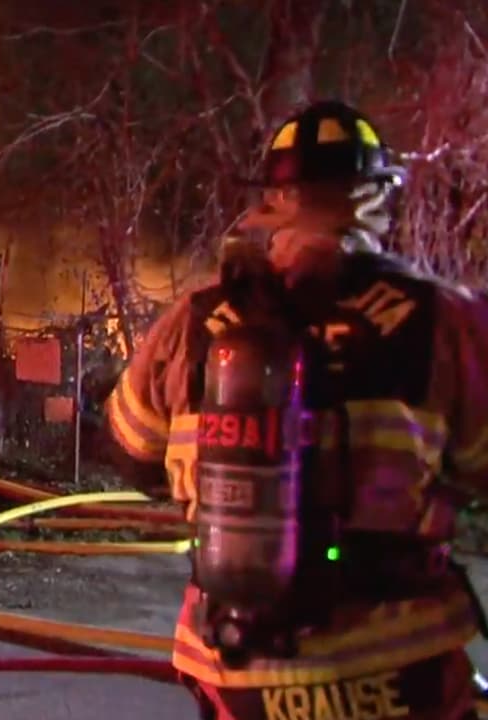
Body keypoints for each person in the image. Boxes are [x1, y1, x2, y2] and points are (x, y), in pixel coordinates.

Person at [105, 100, 488, 719]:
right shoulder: (442, 320)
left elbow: (131, 451)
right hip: (397, 665)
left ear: (276, 200)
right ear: (374, 198)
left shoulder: (194, 321)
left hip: (238, 668)